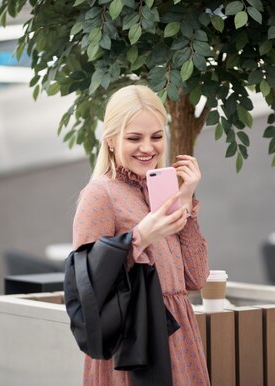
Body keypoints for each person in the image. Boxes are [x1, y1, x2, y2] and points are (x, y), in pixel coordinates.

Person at [72, 84, 210, 385]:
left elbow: (196, 279)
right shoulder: (100, 194)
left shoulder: (160, 187)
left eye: (157, 136)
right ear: (110, 140)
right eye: (134, 137)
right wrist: (140, 237)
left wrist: (186, 202)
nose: (148, 148)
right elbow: (87, 285)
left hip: (178, 337)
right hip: (132, 347)